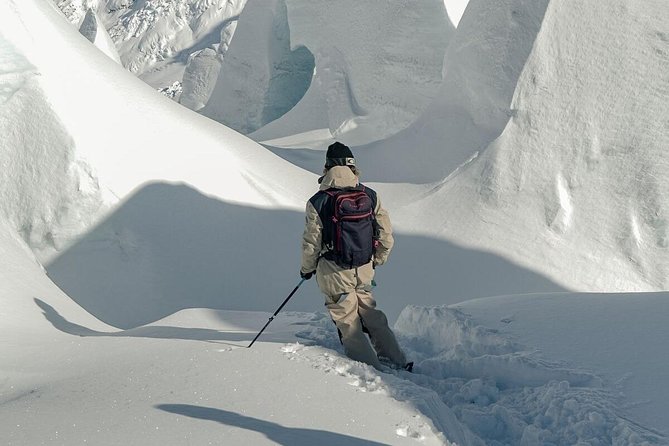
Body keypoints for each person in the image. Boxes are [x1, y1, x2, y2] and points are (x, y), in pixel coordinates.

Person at [300, 141, 412, 372]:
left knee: (348, 321)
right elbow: (386, 235)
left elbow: (311, 243)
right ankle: (398, 360)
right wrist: (376, 260)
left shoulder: (318, 201)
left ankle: (370, 369)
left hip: (334, 270)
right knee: (371, 314)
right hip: (364, 266)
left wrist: (307, 269)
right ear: (352, 166)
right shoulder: (369, 195)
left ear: (327, 167)